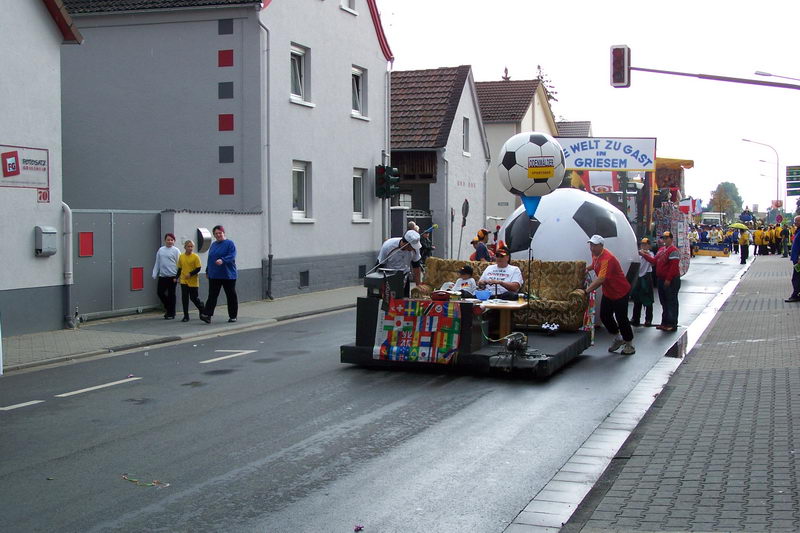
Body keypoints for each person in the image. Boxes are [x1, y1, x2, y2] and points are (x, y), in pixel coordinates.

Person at [583, 235, 635, 355]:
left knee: (621, 318)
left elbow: (601, 279)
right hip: (609, 292)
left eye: (595, 245)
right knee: (605, 316)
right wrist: (586, 269)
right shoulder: (595, 255)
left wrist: (587, 291)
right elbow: (595, 265)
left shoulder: (608, 259)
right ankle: (618, 338)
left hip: (620, 292)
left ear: (601, 246)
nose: (592, 247)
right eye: (591, 244)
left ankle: (629, 344)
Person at [641, 231, 681, 332]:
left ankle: (672, 323)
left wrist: (668, 279)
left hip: (670, 280)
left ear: (671, 239)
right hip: (661, 279)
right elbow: (654, 261)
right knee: (664, 302)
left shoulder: (673, 250)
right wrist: (644, 255)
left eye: (667, 238)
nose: (665, 240)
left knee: (671, 301)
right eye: (663, 238)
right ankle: (665, 322)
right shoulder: (661, 250)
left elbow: (673, 267)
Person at [200, 225, 238, 323]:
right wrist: (208, 270)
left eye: (220, 233)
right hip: (215, 275)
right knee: (212, 295)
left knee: (231, 295)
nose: (218, 235)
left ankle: (233, 316)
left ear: (223, 233)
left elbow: (232, 255)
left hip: (228, 275)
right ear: (214, 235)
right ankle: (207, 315)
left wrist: (223, 260)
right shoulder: (213, 245)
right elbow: (210, 259)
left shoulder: (230, 243)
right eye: (216, 234)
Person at [376, 229, 422, 297]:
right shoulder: (388, 246)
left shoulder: (415, 249)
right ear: (406, 243)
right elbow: (379, 265)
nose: (413, 248)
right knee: (390, 300)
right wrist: (378, 286)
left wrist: (418, 285)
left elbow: (416, 266)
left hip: (405, 276)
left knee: (404, 300)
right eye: (412, 246)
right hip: (389, 277)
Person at [152, 232, 180, 319]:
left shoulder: (176, 250)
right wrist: (154, 272)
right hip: (163, 276)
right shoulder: (161, 250)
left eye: (171, 240)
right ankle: (169, 308)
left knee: (172, 294)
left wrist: (178, 276)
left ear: (174, 241)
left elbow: (179, 264)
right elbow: (158, 262)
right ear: (165, 240)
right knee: (160, 292)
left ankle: (171, 312)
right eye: (168, 240)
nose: (170, 241)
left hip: (172, 276)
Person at [177, 239, 204, 322]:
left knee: (193, 298)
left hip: (193, 281)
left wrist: (191, 274)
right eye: (188, 246)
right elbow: (180, 268)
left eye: (191, 246)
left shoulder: (195, 257)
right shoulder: (181, 256)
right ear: (185, 247)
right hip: (184, 280)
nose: (190, 248)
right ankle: (186, 316)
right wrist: (176, 277)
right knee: (184, 298)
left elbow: (198, 268)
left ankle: (201, 307)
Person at [630, 238, 654, 327]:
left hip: (646, 277)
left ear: (649, 245)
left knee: (648, 300)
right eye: (642, 244)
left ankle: (648, 319)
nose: (643, 246)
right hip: (638, 278)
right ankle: (635, 318)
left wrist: (644, 254)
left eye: (645, 244)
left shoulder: (650, 254)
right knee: (637, 299)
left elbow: (653, 261)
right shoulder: (637, 253)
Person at [785, 215, 800, 303]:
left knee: (796, 277)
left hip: (798, 259)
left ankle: (795, 295)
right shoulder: (797, 231)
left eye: (797, 221)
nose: (795, 223)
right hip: (796, 258)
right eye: (795, 221)